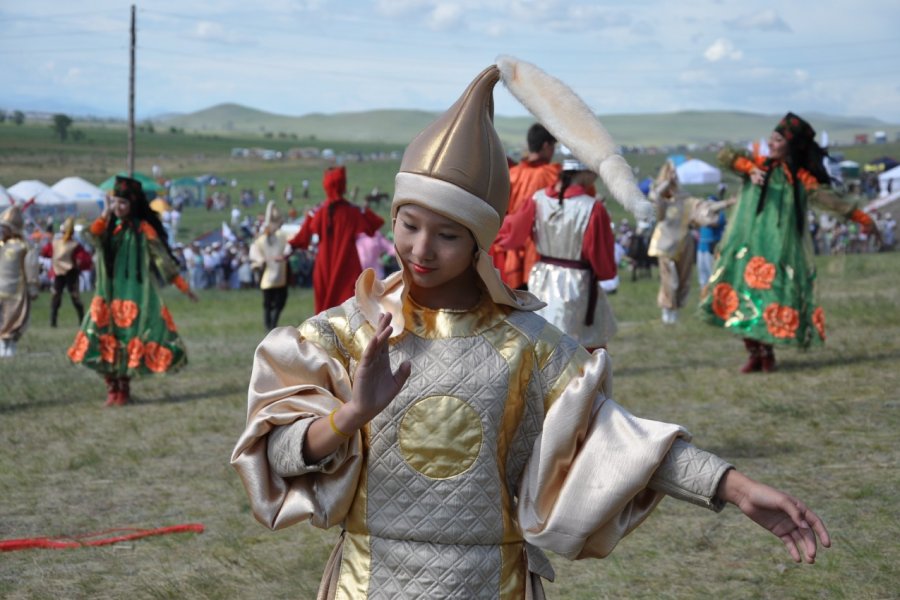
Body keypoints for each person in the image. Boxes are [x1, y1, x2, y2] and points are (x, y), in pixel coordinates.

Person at [232, 58, 830, 599]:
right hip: (368, 583)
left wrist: (733, 486)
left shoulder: (530, 348)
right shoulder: (346, 333)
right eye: (409, 224)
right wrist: (350, 415)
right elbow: (278, 453)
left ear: (479, 241)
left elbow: (621, 443)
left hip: (493, 585)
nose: (420, 249)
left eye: (447, 234)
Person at [699, 112, 876, 372]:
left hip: (779, 249)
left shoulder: (801, 179)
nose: (772, 143)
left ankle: (766, 353)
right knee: (740, 294)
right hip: (746, 245)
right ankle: (754, 353)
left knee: (769, 297)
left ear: (790, 145)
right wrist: (750, 170)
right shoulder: (757, 164)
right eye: (771, 137)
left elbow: (831, 202)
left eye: (778, 139)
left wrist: (864, 219)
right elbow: (725, 156)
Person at [67, 176, 198, 407]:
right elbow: (90, 236)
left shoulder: (143, 229)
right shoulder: (107, 226)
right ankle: (111, 387)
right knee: (100, 335)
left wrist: (183, 287)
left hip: (135, 296)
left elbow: (163, 260)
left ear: (133, 205)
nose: (119, 207)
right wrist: (106, 212)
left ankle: (123, 390)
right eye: (115, 202)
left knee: (127, 340)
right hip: (106, 294)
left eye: (123, 203)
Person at [496, 156, 618, 350]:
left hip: (541, 281)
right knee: (580, 353)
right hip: (578, 285)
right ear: (586, 172)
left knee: (542, 344)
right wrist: (607, 272)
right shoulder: (593, 208)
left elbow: (512, 234)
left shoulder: (537, 199)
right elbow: (603, 263)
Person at [647, 161, 735, 324]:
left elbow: (705, 207)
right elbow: (655, 199)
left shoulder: (685, 199)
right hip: (666, 245)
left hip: (684, 244)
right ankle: (667, 309)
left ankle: (675, 310)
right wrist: (666, 182)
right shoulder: (662, 199)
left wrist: (726, 203)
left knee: (682, 279)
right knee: (669, 280)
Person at [288, 166, 384, 313]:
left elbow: (300, 239)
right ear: (343, 185)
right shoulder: (353, 211)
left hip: (324, 265)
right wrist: (362, 208)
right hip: (347, 264)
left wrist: (288, 249)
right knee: (349, 309)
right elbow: (376, 223)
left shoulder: (317, 212)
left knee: (324, 311)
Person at [490, 123, 560, 290]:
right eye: (553, 147)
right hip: (542, 249)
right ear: (546, 146)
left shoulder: (511, 174)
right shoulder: (554, 174)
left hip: (511, 247)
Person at [0, 204, 39, 357]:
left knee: (14, 317)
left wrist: (32, 284)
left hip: (16, 290)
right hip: (3, 289)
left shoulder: (24, 246)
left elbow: (31, 266)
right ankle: (3, 344)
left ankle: (10, 344)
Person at [40, 217, 90, 328]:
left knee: (75, 297)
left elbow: (83, 257)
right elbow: (45, 252)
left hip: (71, 273)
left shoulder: (75, 244)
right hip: (58, 273)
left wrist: (79, 261)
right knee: (56, 297)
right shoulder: (56, 243)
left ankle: (82, 320)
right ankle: (53, 322)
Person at [249, 202, 291, 330]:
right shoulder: (281, 236)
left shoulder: (264, 237)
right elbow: (290, 246)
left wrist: (260, 260)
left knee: (269, 302)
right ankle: (271, 324)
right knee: (276, 302)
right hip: (275, 274)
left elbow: (254, 250)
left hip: (271, 274)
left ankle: (270, 324)